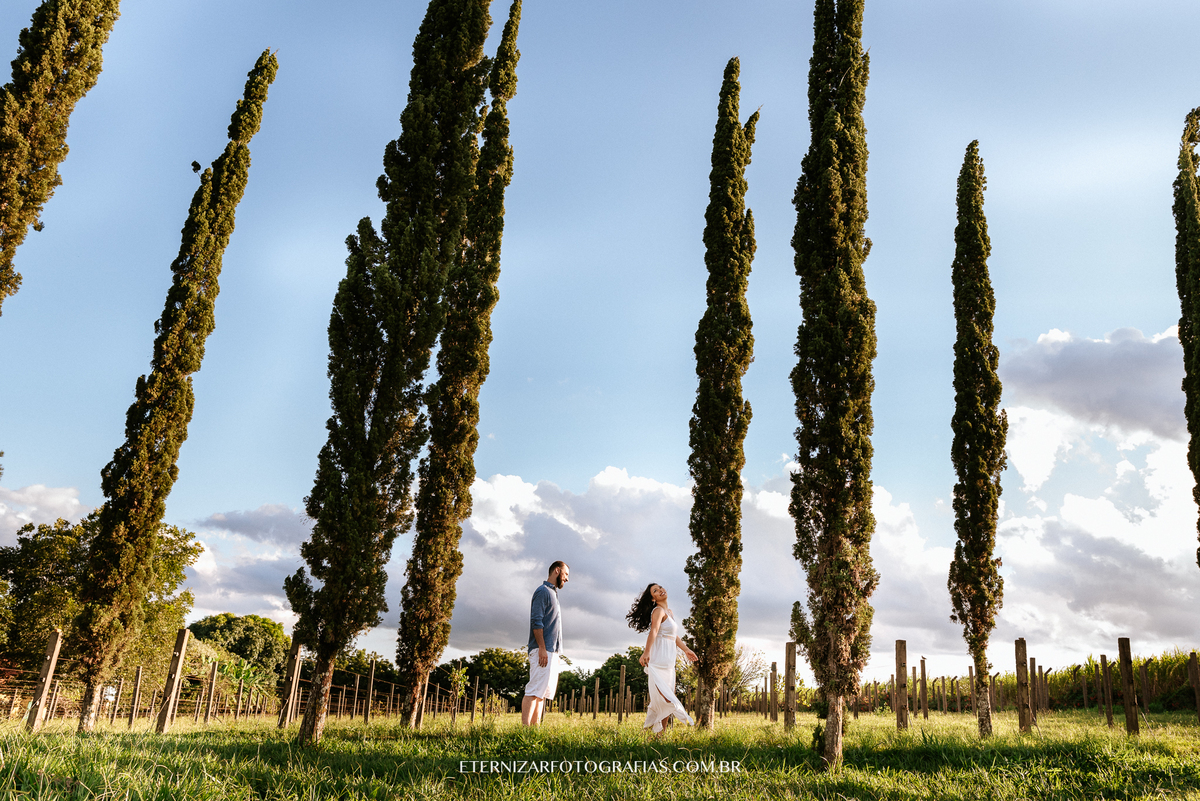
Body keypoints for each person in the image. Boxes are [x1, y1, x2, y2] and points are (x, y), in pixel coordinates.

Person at [626, 583, 697, 735]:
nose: (660, 590)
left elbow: (674, 636)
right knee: (665, 699)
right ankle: (654, 733)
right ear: (653, 598)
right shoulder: (657, 611)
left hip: (669, 662)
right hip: (659, 660)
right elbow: (654, 630)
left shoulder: (669, 612)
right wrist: (646, 652)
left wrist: (686, 650)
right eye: (655, 591)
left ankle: (659, 735)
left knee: (667, 698)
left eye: (660, 587)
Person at [521, 560, 569, 726]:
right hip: (543, 649)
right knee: (534, 690)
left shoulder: (553, 594)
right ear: (557, 571)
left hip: (552, 651)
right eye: (566, 574)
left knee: (542, 693)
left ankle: (535, 730)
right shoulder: (542, 591)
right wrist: (542, 648)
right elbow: (536, 621)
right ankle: (524, 730)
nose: (567, 579)